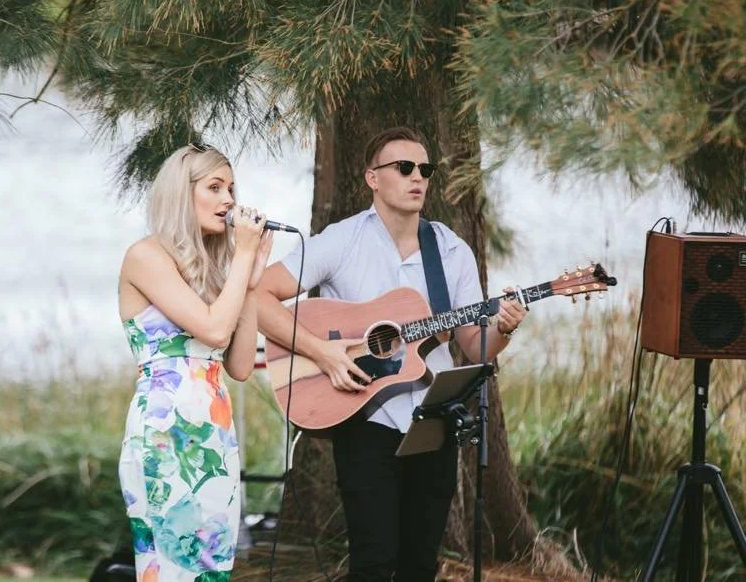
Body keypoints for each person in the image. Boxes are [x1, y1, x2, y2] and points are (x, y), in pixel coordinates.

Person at [255, 127, 527, 581]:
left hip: (433, 422)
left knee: (420, 565)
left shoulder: (450, 251)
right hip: (366, 420)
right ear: (372, 179)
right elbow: (261, 294)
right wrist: (324, 354)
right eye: (404, 168)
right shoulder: (341, 241)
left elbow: (473, 345)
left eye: (425, 169)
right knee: (374, 564)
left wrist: (503, 328)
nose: (417, 177)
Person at [117, 143, 273, 580]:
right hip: (166, 435)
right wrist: (242, 257)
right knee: (171, 567)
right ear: (181, 194)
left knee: (211, 569)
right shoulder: (146, 256)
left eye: (231, 188)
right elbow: (215, 331)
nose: (229, 201)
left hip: (214, 437)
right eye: (215, 187)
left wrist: (253, 282)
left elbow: (240, 365)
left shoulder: (215, 271)